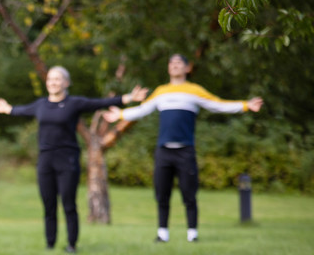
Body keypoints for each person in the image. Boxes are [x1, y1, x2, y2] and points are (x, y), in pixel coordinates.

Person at [103, 54, 263, 243]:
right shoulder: (161, 91)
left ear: (187, 68)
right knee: (162, 193)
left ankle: (192, 234)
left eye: (179, 63)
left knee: (189, 193)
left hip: (185, 151)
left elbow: (218, 105)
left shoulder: (194, 90)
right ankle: (162, 234)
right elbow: (143, 109)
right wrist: (121, 114)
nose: (174, 66)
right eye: (171, 63)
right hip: (163, 151)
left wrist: (245, 105)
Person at [0, 67, 147, 253]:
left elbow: (101, 102)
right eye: (50, 79)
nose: (53, 82)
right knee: (48, 204)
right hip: (45, 160)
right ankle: (50, 244)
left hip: (67, 160)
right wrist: (6, 108)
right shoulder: (41, 104)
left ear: (66, 83)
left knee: (68, 203)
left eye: (57, 79)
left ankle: (72, 245)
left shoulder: (74, 103)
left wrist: (129, 98)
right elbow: (21, 110)